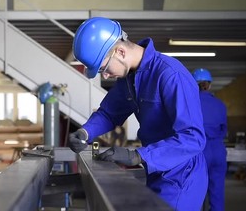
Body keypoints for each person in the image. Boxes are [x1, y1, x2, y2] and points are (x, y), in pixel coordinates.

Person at [68, 17, 208, 210]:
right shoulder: (130, 79)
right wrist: (85, 132)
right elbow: (109, 113)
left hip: (181, 175)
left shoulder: (170, 75)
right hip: (155, 170)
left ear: (120, 51)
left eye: (103, 68)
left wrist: (138, 156)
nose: (106, 76)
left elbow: (193, 138)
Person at [193, 68, 228, 211]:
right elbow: (224, 129)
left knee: (195, 191)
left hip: (199, 150)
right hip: (218, 150)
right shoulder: (220, 104)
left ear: (194, 85)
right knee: (217, 191)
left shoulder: (191, 103)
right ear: (210, 85)